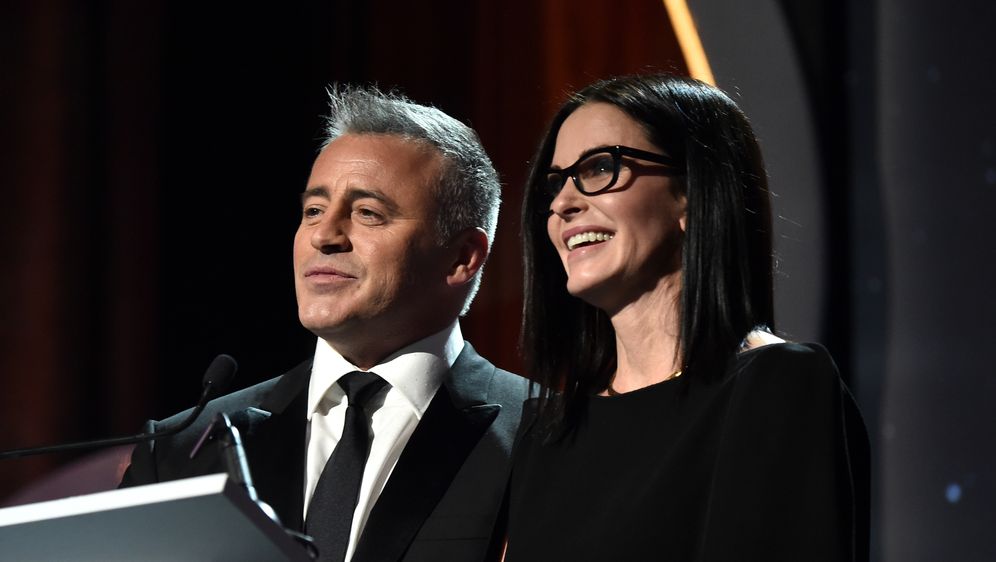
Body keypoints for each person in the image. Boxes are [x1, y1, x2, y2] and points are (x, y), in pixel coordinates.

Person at [121, 85, 527, 562]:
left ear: (462, 257)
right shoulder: (182, 450)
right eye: (313, 210)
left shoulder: (548, 435)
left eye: (367, 214)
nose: (324, 235)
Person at [504, 74, 870, 561]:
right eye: (556, 182)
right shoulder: (549, 426)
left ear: (692, 194)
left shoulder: (777, 385)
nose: (563, 204)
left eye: (599, 168)